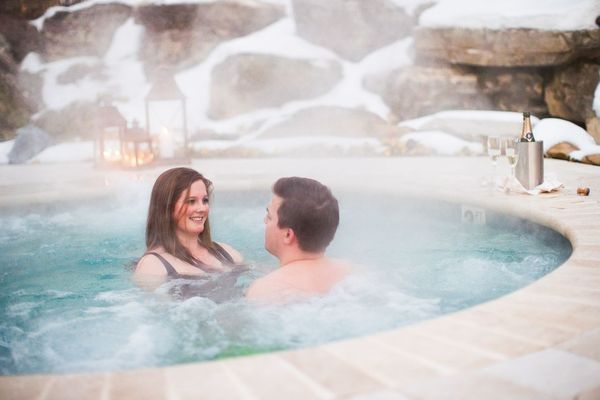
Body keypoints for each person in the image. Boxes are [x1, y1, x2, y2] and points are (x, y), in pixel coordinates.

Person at [134, 167, 243, 287]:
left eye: (205, 200)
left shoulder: (226, 253)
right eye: (191, 201)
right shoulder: (153, 266)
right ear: (167, 208)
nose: (202, 208)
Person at [246, 177, 350, 302]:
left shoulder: (267, 290)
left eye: (269, 216)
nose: (265, 221)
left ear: (288, 235)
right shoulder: (355, 273)